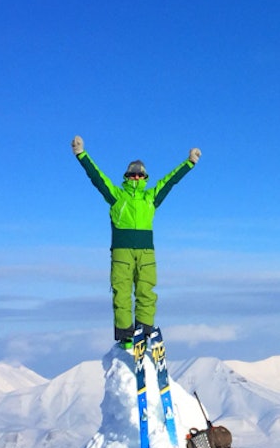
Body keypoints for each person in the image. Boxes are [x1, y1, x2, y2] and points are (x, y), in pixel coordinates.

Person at [71, 136, 200, 345]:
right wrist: (81, 154)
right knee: (121, 293)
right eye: (133, 174)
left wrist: (190, 162)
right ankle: (126, 337)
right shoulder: (117, 196)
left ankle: (145, 333)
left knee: (146, 291)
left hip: (146, 252)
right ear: (127, 176)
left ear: (145, 177)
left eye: (140, 175)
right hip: (122, 252)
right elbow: (97, 177)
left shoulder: (151, 198)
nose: (136, 177)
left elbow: (170, 181)